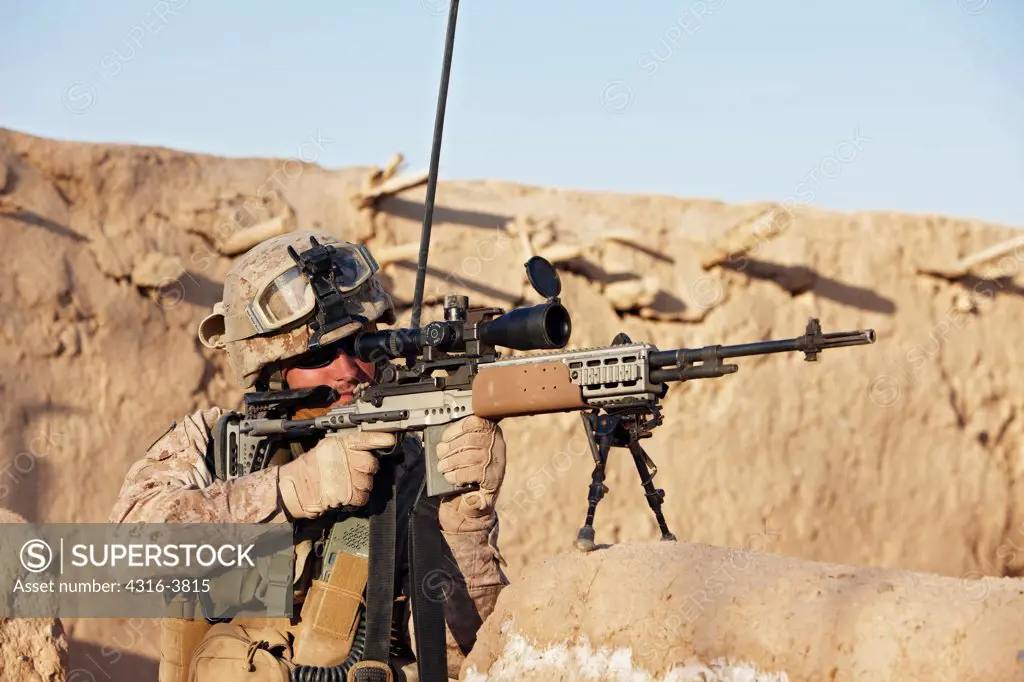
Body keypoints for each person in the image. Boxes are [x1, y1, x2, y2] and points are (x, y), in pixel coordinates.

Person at [109, 231, 508, 682]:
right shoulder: (213, 445)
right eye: (318, 355)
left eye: (362, 346)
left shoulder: (413, 468)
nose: (348, 371)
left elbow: (465, 657)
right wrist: (290, 490)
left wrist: (467, 518)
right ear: (270, 371)